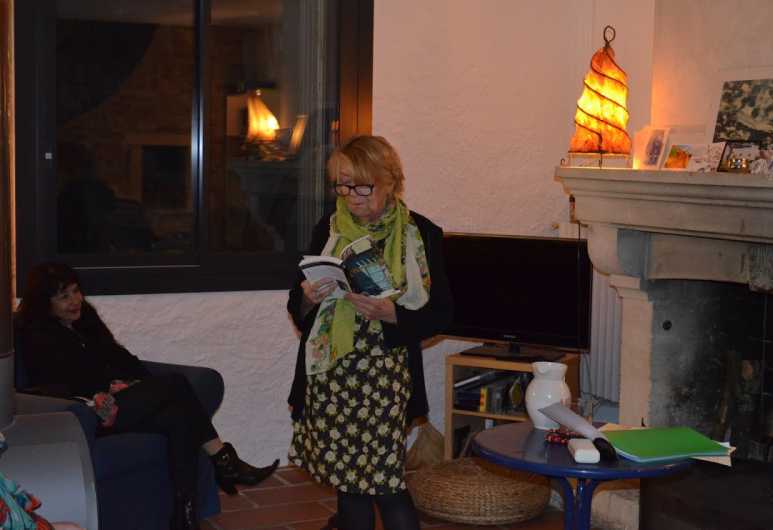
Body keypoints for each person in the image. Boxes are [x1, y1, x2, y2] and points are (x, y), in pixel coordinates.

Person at [14, 263, 280, 530]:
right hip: (87, 414)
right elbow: (55, 384)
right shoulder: (36, 334)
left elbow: (120, 357)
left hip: (117, 402)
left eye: (76, 291)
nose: (75, 301)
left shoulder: (86, 319)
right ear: (45, 303)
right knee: (176, 385)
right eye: (64, 296)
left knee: (178, 416)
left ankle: (185, 517)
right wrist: (105, 388)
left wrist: (138, 383)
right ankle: (224, 462)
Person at [287, 135, 453, 530]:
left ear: (389, 181)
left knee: (386, 483)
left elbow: (443, 314)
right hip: (333, 374)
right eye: (342, 185)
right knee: (349, 483)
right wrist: (308, 298)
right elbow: (296, 304)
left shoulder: (422, 234)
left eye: (361, 186)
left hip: (387, 379)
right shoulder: (328, 229)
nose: (350, 197)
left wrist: (394, 314)